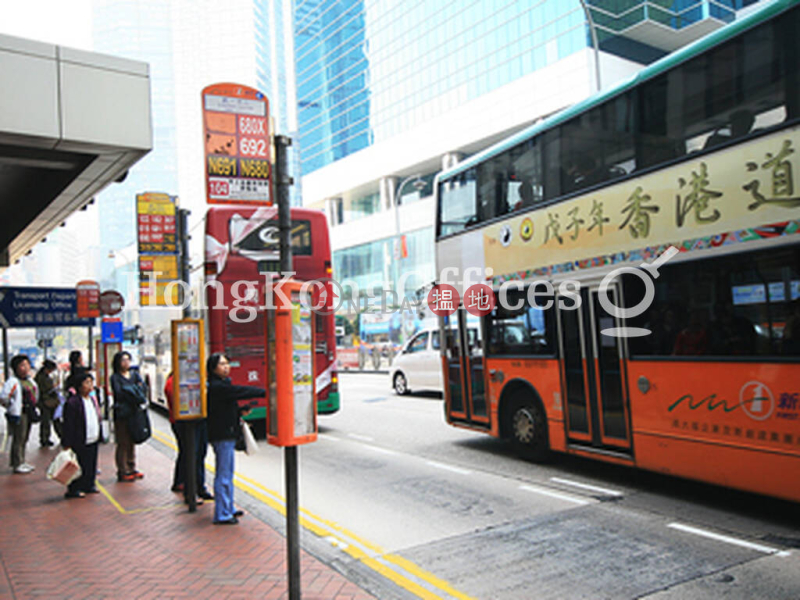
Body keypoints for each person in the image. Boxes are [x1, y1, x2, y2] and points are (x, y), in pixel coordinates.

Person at [206, 353, 264, 525]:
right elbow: (240, 391)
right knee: (223, 475)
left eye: (227, 364)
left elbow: (225, 407)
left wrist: (240, 411)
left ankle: (228, 507)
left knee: (228, 474)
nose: (226, 367)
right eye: (222, 364)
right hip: (222, 435)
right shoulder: (217, 386)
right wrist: (264, 391)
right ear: (213, 368)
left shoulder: (223, 384)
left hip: (227, 433)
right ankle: (222, 514)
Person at [165, 372, 213, 504]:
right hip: (184, 423)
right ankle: (190, 490)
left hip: (199, 420)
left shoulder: (194, 379)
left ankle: (197, 486)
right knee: (190, 455)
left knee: (197, 455)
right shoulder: (173, 382)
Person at [61, 372, 102, 498]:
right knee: (78, 465)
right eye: (87, 382)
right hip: (79, 439)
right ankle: (74, 489)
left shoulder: (92, 400)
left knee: (91, 463)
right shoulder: (73, 402)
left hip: (92, 437)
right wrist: (67, 443)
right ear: (79, 386)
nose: (90, 386)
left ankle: (89, 485)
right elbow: (68, 424)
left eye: (91, 382)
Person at [109, 351, 146, 482]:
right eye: (123, 360)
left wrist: (131, 390)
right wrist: (134, 390)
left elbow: (142, 389)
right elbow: (119, 393)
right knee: (123, 442)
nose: (126, 363)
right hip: (122, 414)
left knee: (132, 441)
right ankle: (122, 470)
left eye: (128, 360)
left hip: (134, 413)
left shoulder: (135, 374)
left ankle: (131, 467)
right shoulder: (115, 377)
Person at [0, 355, 39, 473]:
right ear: (15, 367)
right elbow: (4, 397)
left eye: (27, 364)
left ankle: (22, 461)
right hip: (19, 413)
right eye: (22, 365)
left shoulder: (29, 380)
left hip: (29, 412)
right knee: (18, 438)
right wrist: (12, 406)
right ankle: (16, 463)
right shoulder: (13, 381)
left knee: (25, 438)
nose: (26, 368)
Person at [35, 359, 61, 446]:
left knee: (50, 420)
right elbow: (45, 390)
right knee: (47, 421)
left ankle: (46, 438)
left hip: (48, 401)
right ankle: (45, 438)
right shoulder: (42, 377)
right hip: (46, 401)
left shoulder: (42, 376)